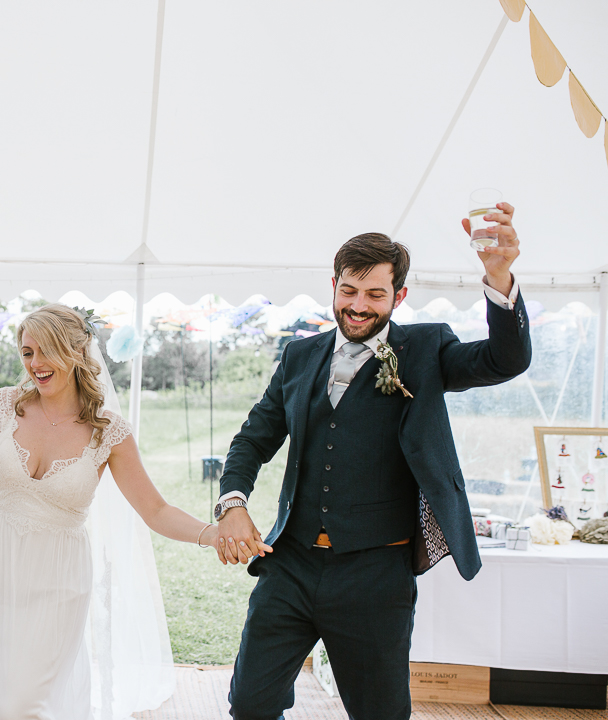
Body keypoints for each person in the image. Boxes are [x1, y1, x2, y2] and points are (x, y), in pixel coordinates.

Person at [212, 203, 531, 719]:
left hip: (376, 572)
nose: (358, 307)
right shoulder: (299, 356)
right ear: (334, 284)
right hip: (288, 564)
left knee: (379, 712)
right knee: (250, 703)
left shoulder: (427, 348)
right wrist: (232, 501)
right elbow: (252, 440)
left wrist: (499, 277)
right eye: (349, 291)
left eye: (375, 295)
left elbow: (505, 360)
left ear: (399, 296)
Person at [0, 303, 220, 720]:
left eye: (47, 351)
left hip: (57, 584)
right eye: (27, 352)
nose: (35, 364)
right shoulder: (4, 406)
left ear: (77, 352)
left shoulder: (108, 432)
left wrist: (214, 533)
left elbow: (155, 509)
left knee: (31, 704)